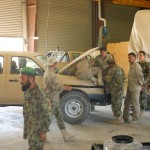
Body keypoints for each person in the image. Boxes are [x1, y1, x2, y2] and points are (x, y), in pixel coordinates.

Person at [43, 57, 74, 142]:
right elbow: (56, 86)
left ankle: (65, 135)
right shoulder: (50, 74)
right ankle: (42, 137)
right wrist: (66, 88)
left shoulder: (51, 72)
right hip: (51, 99)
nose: (57, 64)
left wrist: (64, 86)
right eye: (56, 63)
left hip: (54, 98)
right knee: (48, 119)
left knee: (59, 117)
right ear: (53, 64)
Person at [20, 67, 51, 150]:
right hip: (30, 128)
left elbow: (47, 114)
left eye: (23, 79)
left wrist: (43, 131)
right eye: (20, 78)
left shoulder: (41, 94)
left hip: (38, 130)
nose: (21, 81)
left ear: (31, 79)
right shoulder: (27, 91)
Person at [123, 52, 144, 123]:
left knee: (135, 103)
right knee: (127, 102)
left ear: (134, 58)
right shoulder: (131, 65)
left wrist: (140, 85)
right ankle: (125, 117)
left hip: (135, 88)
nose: (129, 59)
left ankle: (135, 118)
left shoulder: (136, 66)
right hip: (130, 87)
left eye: (130, 58)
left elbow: (140, 77)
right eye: (128, 58)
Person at [105, 58, 125, 124]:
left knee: (115, 104)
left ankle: (118, 119)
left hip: (115, 90)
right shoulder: (120, 68)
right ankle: (120, 118)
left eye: (108, 64)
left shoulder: (112, 70)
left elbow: (107, 80)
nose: (108, 65)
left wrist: (103, 77)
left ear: (111, 64)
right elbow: (123, 77)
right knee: (119, 103)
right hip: (121, 89)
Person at [138, 51, 150, 115]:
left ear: (144, 56)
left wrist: (144, 84)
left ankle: (141, 111)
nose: (139, 57)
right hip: (137, 84)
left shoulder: (147, 64)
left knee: (142, 97)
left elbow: (149, 75)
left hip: (144, 84)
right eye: (138, 55)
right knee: (137, 97)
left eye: (140, 55)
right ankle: (137, 110)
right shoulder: (137, 64)